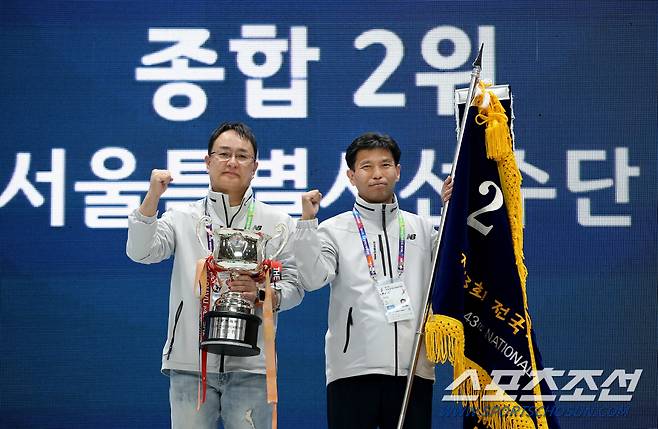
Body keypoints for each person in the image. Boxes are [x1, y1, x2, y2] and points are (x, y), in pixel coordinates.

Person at [126, 122, 304, 429]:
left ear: (255, 166)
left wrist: (262, 294)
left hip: (252, 364)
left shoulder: (277, 223)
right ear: (207, 162)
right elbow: (141, 252)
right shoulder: (182, 218)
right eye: (223, 154)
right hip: (190, 363)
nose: (232, 162)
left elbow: (295, 286)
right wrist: (152, 197)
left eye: (242, 156)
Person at [293, 132, 452, 429]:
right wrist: (306, 224)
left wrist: (450, 212)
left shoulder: (422, 228)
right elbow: (312, 278)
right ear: (351, 176)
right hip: (352, 370)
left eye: (385, 165)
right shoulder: (332, 230)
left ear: (399, 171)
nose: (377, 174)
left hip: (412, 370)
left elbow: (452, 269)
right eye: (366, 167)